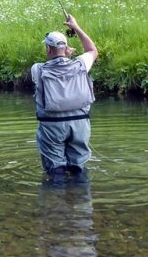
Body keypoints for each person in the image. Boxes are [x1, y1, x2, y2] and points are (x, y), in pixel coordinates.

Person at [31, 14, 98, 181]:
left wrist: (64, 55)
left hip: (52, 125)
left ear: (48, 49)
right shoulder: (81, 64)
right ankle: (81, 200)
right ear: (67, 48)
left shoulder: (37, 69)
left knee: (55, 169)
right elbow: (92, 50)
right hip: (80, 124)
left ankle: (55, 202)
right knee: (78, 167)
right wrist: (75, 27)